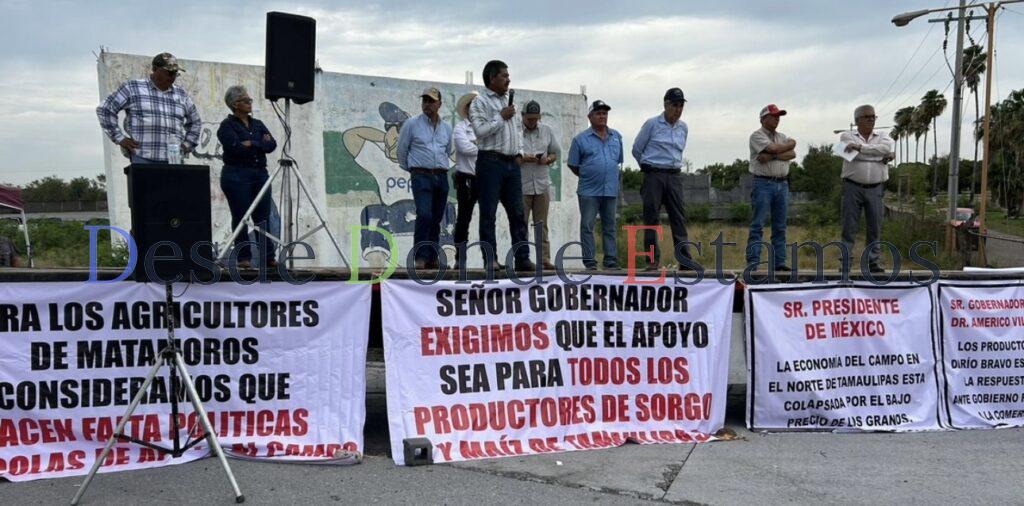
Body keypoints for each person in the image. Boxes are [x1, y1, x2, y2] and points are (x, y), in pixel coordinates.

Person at [469, 60, 534, 272]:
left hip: (511, 164)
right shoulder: (480, 102)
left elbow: (518, 132)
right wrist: (500, 117)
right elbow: (479, 131)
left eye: (508, 75)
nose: (509, 79)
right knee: (488, 213)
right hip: (490, 162)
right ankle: (491, 260)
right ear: (492, 78)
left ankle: (522, 259)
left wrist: (520, 153)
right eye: (504, 75)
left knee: (517, 213)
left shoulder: (510, 101)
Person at [97, 52, 201, 164]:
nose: (172, 77)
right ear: (155, 69)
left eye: (175, 73)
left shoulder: (181, 95)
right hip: (142, 158)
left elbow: (195, 121)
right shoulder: (133, 88)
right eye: (169, 72)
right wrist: (119, 138)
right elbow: (105, 109)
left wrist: (187, 145)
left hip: (173, 161)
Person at [217, 85, 278, 269]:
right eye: (247, 101)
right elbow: (235, 147)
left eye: (250, 100)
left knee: (263, 217)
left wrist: (251, 142)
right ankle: (244, 258)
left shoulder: (257, 124)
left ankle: (268, 257)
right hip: (236, 175)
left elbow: (272, 144)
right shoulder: (226, 126)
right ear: (236, 104)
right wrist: (258, 143)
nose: (250, 103)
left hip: (260, 174)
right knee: (241, 216)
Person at [632, 87, 691, 270]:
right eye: (674, 105)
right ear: (666, 105)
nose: (678, 109)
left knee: (678, 218)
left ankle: (684, 260)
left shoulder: (683, 127)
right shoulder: (652, 124)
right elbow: (636, 148)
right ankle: (652, 261)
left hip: (674, 175)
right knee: (651, 218)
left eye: (681, 105)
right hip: (654, 174)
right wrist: (647, 166)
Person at [397, 87, 454, 269]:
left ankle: (432, 257)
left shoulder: (446, 128)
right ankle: (420, 257)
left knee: (437, 218)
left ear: (439, 104)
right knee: (424, 214)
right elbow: (401, 151)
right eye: (425, 101)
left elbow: (448, 149)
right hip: (421, 175)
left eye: (431, 101)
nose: (427, 104)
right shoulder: (411, 124)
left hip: (441, 175)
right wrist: (414, 170)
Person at [568, 100, 623, 270]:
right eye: (598, 113)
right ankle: (590, 262)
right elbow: (573, 164)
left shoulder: (617, 137)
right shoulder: (580, 139)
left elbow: (618, 161)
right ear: (590, 117)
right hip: (589, 191)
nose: (602, 116)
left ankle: (611, 261)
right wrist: (590, 174)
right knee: (587, 225)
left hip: (610, 189)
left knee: (610, 226)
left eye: (605, 113)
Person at [840, 105, 895, 273]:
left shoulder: (883, 136)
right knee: (849, 227)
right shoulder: (846, 136)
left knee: (875, 227)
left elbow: (886, 149)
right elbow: (851, 155)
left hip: (876, 188)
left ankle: (872, 263)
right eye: (867, 116)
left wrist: (860, 149)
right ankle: (846, 264)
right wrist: (878, 157)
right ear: (857, 120)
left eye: (873, 116)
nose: (871, 119)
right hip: (852, 187)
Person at [746, 104, 797, 271]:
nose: (777, 119)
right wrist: (785, 147)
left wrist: (772, 155)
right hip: (763, 183)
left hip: (782, 183)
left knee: (780, 226)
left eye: (778, 116)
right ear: (763, 119)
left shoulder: (781, 136)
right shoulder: (756, 136)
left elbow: (793, 153)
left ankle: (779, 263)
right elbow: (782, 149)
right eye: (774, 116)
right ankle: (753, 263)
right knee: (757, 225)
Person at [519, 100, 561, 270]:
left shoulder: (546, 130)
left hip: (542, 183)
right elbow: (509, 154)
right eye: (529, 118)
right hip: (522, 184)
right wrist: (523, 157)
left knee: (541, 224)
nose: (532, 122)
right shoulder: (515, 131)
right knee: (520, 224)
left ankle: (543, 259)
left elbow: (555, 152)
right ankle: (522, 259)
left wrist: (548, 160)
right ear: (522, 116)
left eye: (535, 118)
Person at [452, 91, 479, 268]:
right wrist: (484, 146)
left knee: (488, 219)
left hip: (485, 178)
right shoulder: (460, 128)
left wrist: (477, 145)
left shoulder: (488, 127)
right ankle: (459, 260)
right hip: (466, 179)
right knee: (463, 220)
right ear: (467, 109)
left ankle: (489, 259)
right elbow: (464, 148)